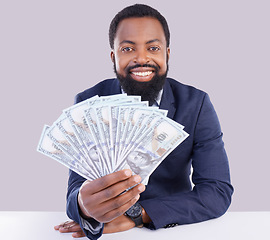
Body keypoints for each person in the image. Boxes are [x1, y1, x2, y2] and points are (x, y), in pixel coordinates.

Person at [54, 4, 233, 239]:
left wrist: (137, 216)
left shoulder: (196, 104)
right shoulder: (88, 103)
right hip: (107, 231)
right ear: (114, 56)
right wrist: (84, 209)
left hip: (178, 230)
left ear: (167, 54)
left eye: (153, 47)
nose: (141, 58)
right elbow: (75, 191)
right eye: (128, 48)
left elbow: (217, 191)